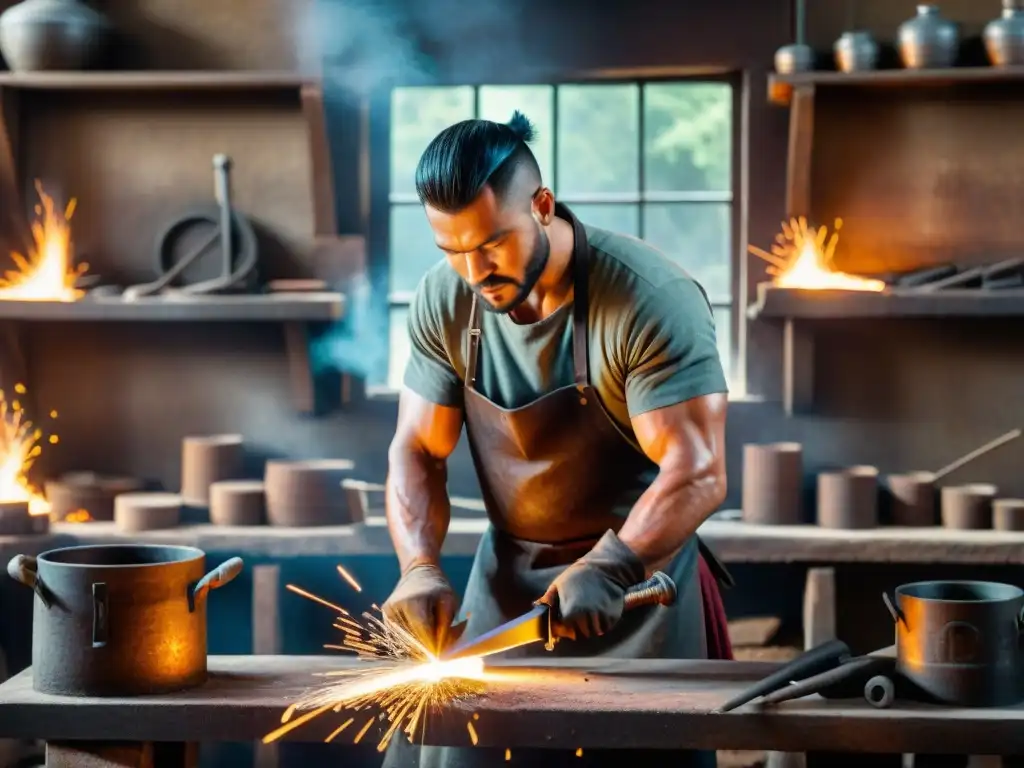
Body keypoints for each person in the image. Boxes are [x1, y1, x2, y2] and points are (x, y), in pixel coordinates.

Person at [381, 111, 730, 768]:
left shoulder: (650, 299)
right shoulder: (448, 301)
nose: (474, 271)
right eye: (451, 251)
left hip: (636, 590)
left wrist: (611, 565)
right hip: (509, 585)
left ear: (542, 205)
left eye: (490, 243)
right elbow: (418, 451)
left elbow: (699, 469)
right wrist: (419, 567)